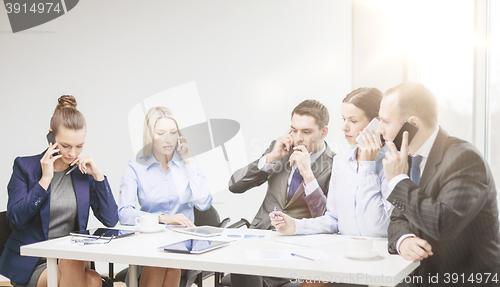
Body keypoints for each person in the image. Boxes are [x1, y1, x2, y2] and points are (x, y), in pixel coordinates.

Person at [378, 82, 500, 287]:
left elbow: (443, 224)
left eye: (385, 121)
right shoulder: (406, 157)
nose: (380, 129)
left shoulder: (464, 159)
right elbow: (398, 219)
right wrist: (404, 240)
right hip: (419, 278)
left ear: (412, 125)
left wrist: (398, 181)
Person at [270, 88, 391, 287]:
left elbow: (376, 227)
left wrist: (368, 165)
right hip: (344, 255)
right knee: (310, 282)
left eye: (352, 121)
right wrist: (296, 225)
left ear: (376, 123)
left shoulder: (393, 162)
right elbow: (333, 219)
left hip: (379, 260)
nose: (344, 127)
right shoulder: (342, 161)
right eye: (343, 119)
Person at [0, 95, 119, 287]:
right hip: (34, 261)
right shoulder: (25, 167)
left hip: (73, 259)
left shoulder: (83, 173)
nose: (72, 154)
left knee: (94, 279)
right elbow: (15, 220)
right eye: (65, 146)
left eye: (79, 146)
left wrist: (98, 176)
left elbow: (111, 219)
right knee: (81, 269)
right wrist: (45, 180)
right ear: (51, 136)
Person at [228, 99, 335, 287]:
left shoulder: (335, 163)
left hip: (300, 248)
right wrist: (270, 158)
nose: (298, 138)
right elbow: (235, 185)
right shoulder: (280, 150)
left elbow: (328, 217)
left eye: (306, 132)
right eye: (294, 130)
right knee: (242, 267)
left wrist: (308, 175)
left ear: (323, 132)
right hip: (261, 239)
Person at [119, 107, 212, 287]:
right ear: (149, 136)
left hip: (183, 241)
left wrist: (190, 161)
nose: (168, 139)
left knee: (169, 261)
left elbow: (203, 204)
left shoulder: (190, 163)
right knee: (162, 261)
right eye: (161, 133)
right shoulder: (135, 167)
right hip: (149, 241)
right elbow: (124, 213)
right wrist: (161, 218)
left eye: (173, 133)